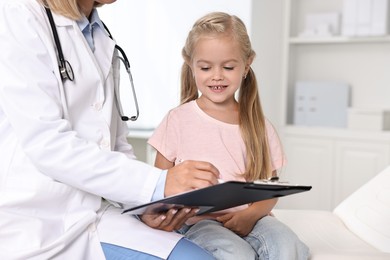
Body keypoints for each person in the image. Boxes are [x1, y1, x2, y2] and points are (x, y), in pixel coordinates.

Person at [0, 0, 220, 259]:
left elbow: (115, 144)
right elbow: (47, 144)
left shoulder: (98, 34)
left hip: (97, 214)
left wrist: (145, 206)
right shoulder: (17, 14)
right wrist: (158, 183)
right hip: (38, 220)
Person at [148, 12, 310, 260]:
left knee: (288, 245)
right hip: (198, 222)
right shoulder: (177, 120)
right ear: (190, 63)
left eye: (228, 67)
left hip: (253, 217)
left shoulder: (260, 126)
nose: (217, 76)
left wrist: (250, 215)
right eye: (205, 67)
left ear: (247, 64)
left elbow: (271, 190)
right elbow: (160, 185)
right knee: (236, 254)